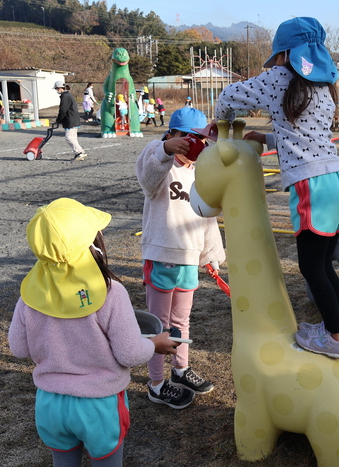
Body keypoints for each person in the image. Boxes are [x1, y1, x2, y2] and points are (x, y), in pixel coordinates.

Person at [214, 17, 339, 359]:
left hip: (313, 186)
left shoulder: (280, 77)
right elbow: (305, 136)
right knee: (324, 265)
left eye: (277, 55)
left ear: (286, 54)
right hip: (336, 180)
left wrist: (221, 121)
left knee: (310, 267)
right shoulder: (323, 86)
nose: (275, 63)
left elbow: (230, 95)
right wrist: (268, 138)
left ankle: (335, 338)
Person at [8, 197, 180, 467]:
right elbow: (129, 353)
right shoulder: (110, 292)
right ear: (93, 244)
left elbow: (19, 349)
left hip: (50, 404)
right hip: (99, 405)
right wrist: (155, 344)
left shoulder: (30, 294)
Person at [135, 106, 226, 408]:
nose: (193, 145)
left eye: (199, 139)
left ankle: (181, 370)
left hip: (189, 257)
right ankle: (156, 383)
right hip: (161, 254)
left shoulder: (201, 173)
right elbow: (147, 180)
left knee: (181, 320)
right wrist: (164, 149)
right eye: (186, 138)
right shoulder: (159, 159)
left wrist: (211, 254)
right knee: (159, 325)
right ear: (172, 134)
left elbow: (207, 217)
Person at [54, 81, 87, 161]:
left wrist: (58, 119)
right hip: (73, 119)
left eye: (56, 89)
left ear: (60, 88)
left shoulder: (65, 96)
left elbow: (63, 110)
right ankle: (78, 153)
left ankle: (80, 152)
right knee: (73, 138)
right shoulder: (67, 95)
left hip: (70, 120)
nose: (56, 90)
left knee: (69, 137)